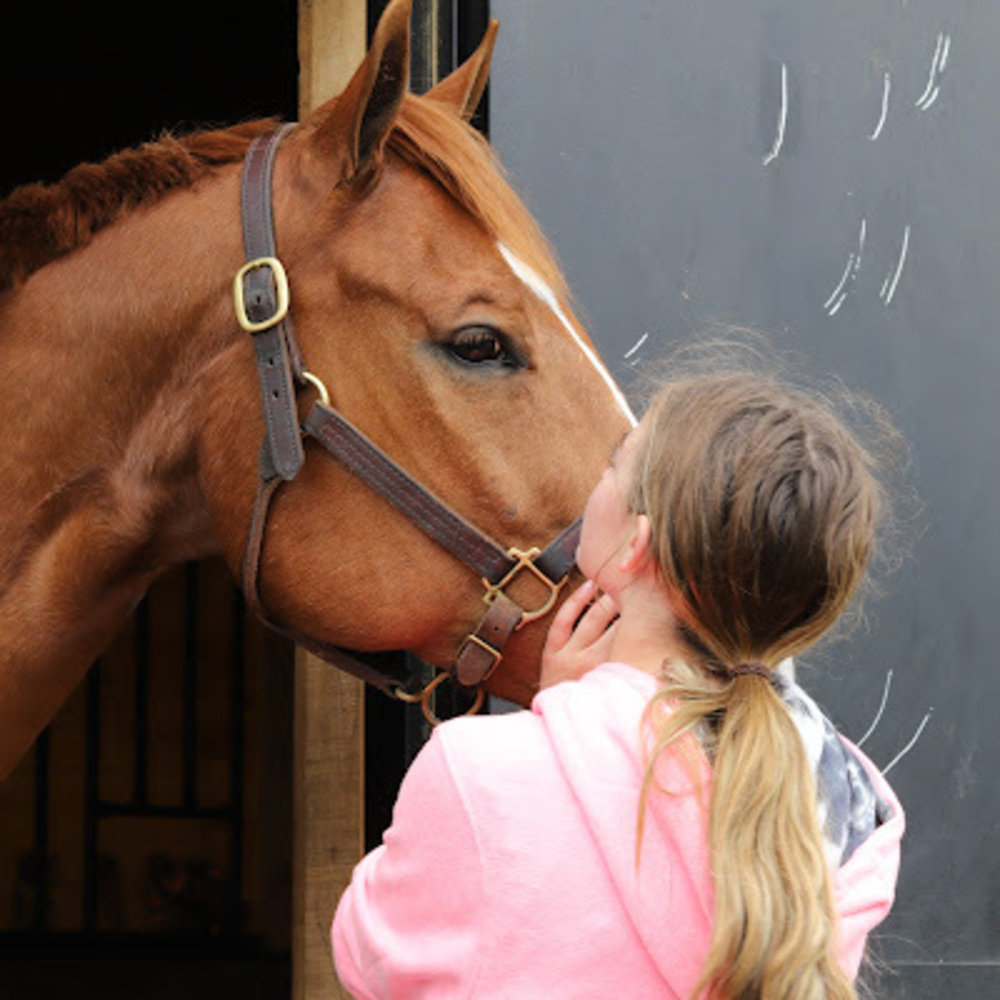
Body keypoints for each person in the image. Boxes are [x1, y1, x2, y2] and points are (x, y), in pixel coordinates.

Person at [331, 364, 905, 1000]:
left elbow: (367, 955)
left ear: (635, 545)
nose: (595, 479)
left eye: (613, 463)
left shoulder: (482, 774)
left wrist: (556, 718)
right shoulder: (844, 810)